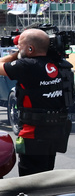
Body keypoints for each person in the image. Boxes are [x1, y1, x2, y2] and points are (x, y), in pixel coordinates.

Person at [0, 28, 71, 175]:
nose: (17, 48)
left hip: (33, 134)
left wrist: (16, 55)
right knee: (46, 176)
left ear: (30, 48)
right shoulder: (57, 62)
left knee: (30, 181)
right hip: (56, 132)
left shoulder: (26, 65)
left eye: (19, 46)